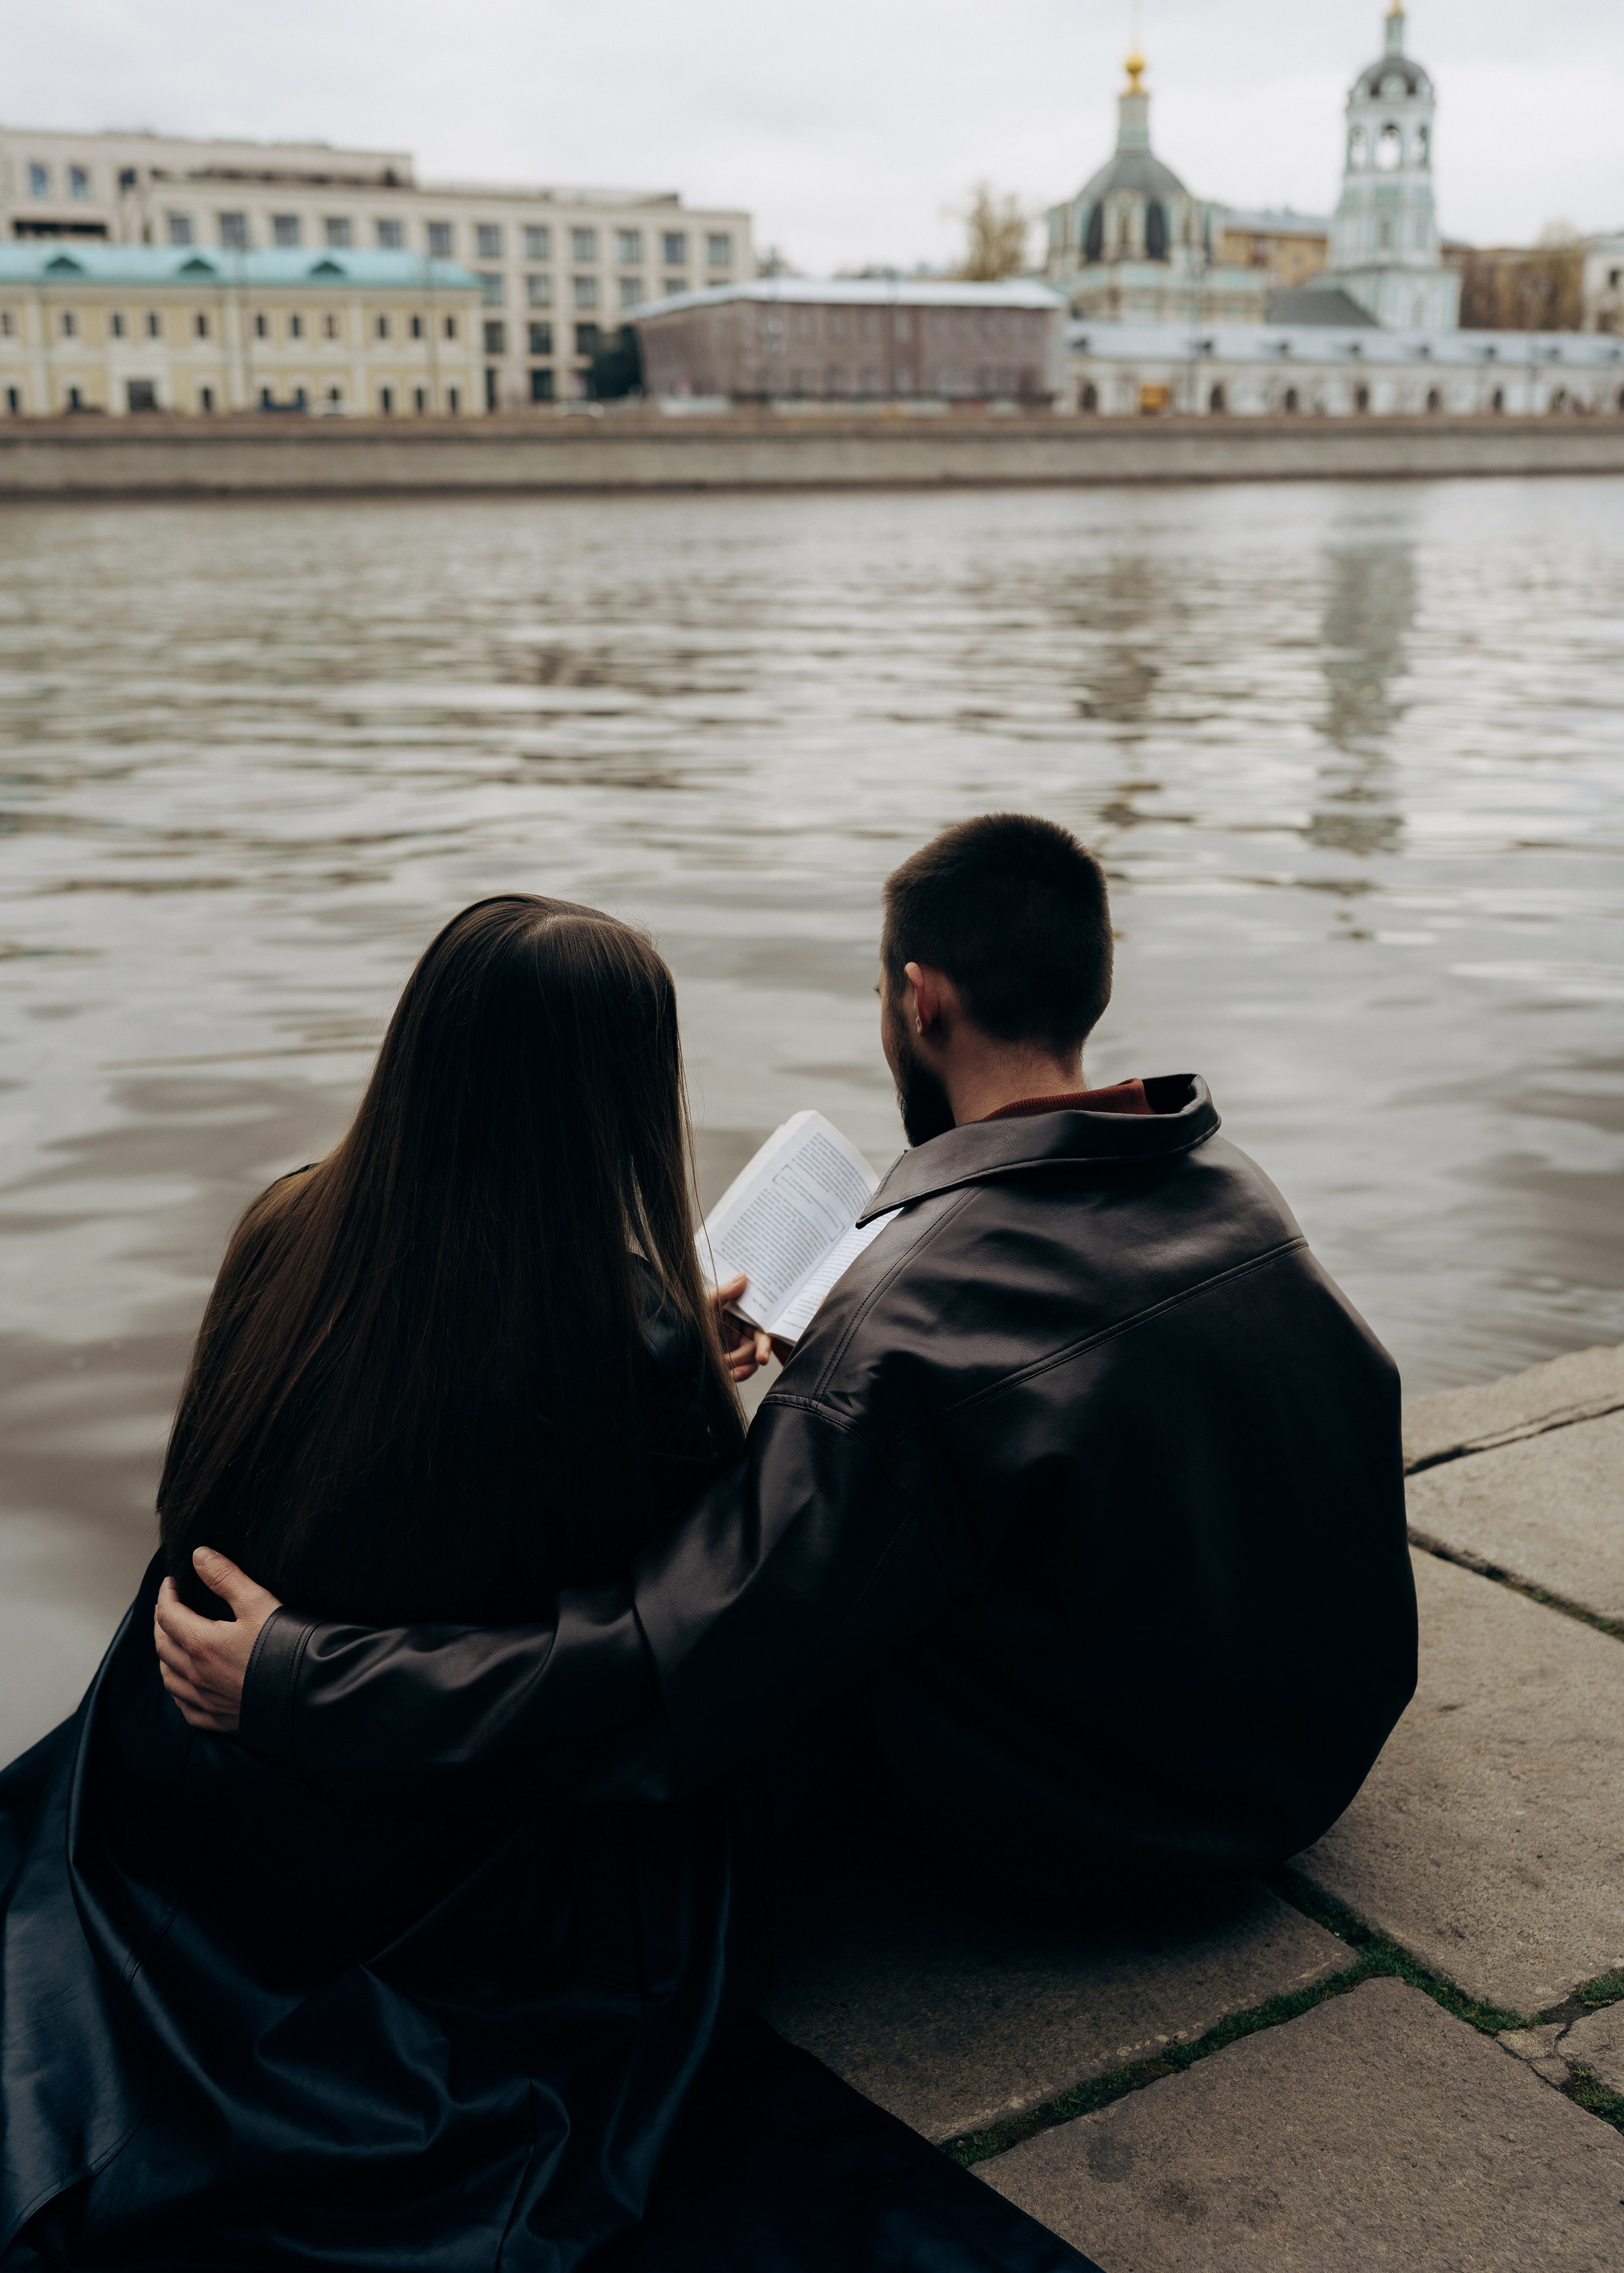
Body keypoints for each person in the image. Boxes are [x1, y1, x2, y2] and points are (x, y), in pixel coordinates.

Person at [0, 891, 1083, 2273]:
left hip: (205, 1787)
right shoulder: (613, 1333)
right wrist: (694, 1383)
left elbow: (219, 1485)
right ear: (621, 1090)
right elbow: (663, 1641)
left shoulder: (283, 1228)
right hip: (427, 1842)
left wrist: (669, 1349)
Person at [159, 815, 1418, 1913]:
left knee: (785, 1657)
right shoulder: (1235, 1193)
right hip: (1310, 1771)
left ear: (917, 999)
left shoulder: (898, 1325)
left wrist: (301, 1677)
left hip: (1107, 1840)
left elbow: (672, 1668)